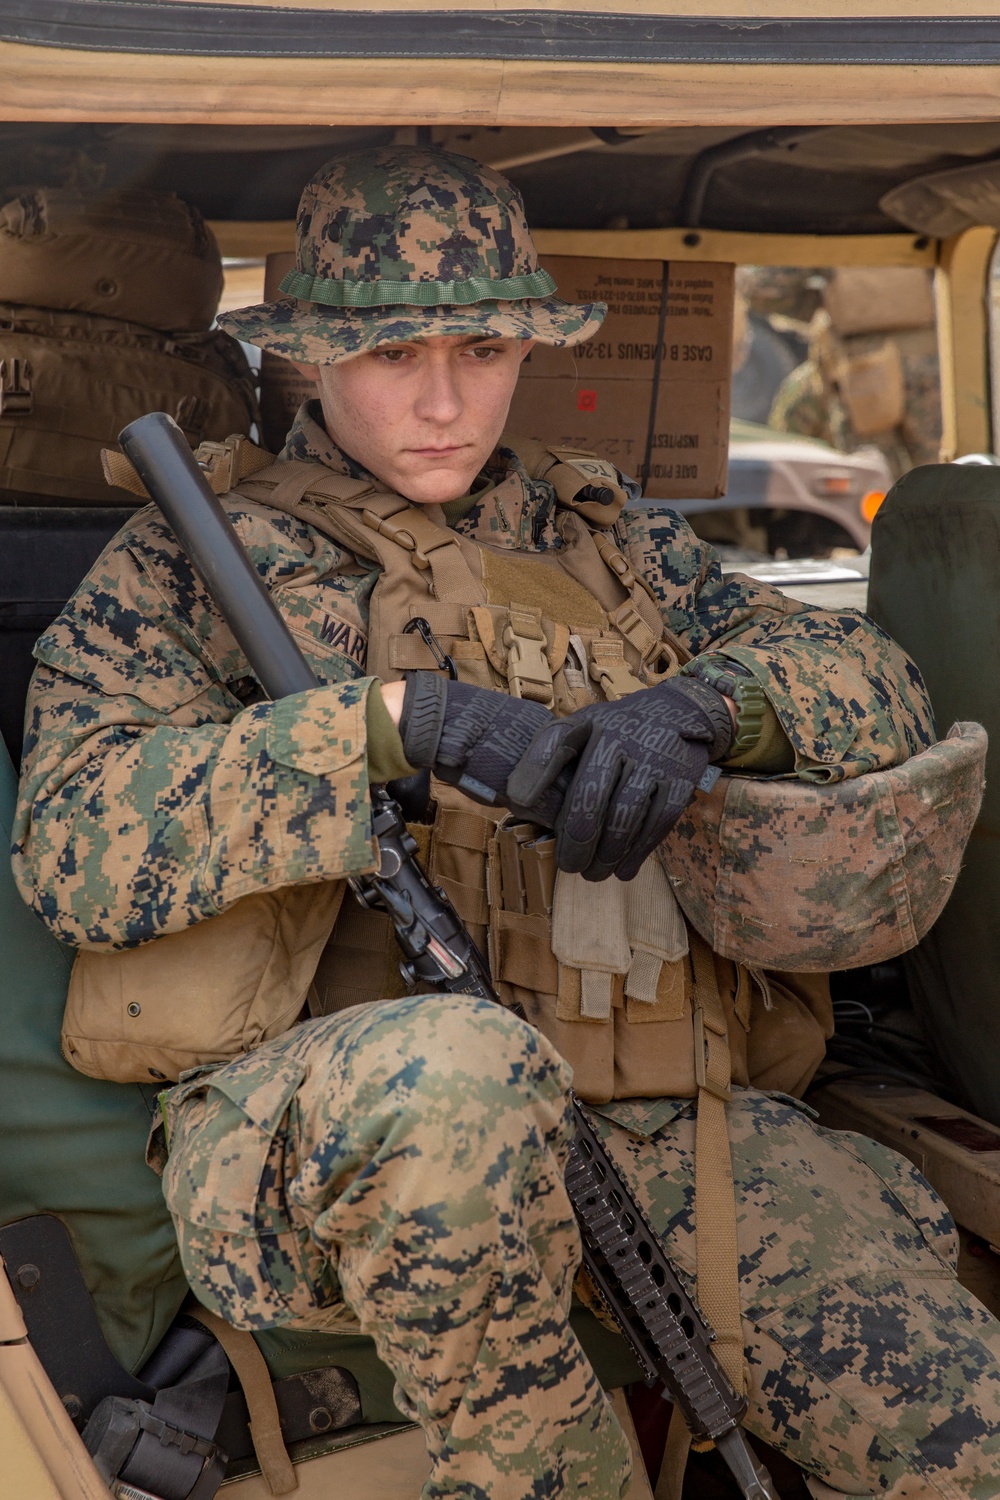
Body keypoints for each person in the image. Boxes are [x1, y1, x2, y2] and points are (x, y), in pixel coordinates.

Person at [12, 148, 1000, 1500]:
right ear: (307, 355)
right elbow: (70, 842)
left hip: (664, 1125)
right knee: (458, 1075)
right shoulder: (195, 561)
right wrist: (381, 728)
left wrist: (713, 709)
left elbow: (880, 688)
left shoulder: (612, 538)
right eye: (392, 353)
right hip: (338, 1125)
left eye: (481, 347)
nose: (441, 399)